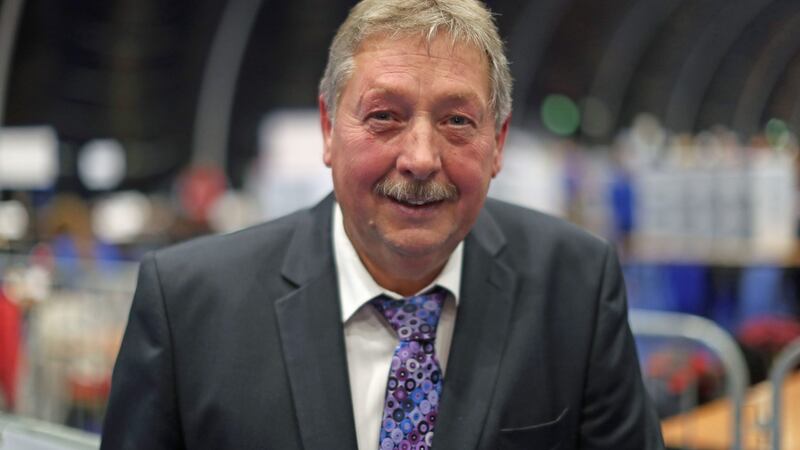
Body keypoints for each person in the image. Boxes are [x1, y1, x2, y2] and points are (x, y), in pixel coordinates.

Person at [101, 0, 664, 449]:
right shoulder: (189, 307)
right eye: (384, 117)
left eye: (457, 121)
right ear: (328, 128)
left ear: (499, 143)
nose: (421, 157)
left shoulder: (577, 288)